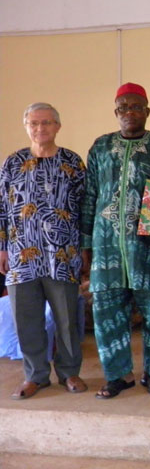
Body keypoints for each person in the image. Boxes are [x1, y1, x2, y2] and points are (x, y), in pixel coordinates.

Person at [81, 83, 150, 399]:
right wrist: (86, 244)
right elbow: (90, 196)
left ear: (147, 111)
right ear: (116, 112)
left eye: (136, 106)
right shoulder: (100, 147)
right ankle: (118, 375)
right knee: (107, 313)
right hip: (106, 244)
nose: (129, 112)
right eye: (123, 107)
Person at [0, 102, 87, 399]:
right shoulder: (12, 163)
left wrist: (84, 249)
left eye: (47, 123)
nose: (40, 128)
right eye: (34, 123)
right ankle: (35, 374)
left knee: (67, 319)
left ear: (58, 126)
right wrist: (2, 248)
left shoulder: (72, 162)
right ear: (26, 126)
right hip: (20, 256)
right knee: (27, 320)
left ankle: (69, 372)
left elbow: (84, 208)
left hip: (62, 256)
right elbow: (2, 208)